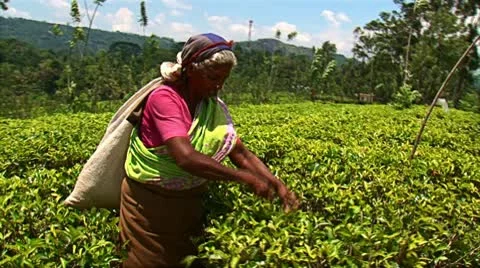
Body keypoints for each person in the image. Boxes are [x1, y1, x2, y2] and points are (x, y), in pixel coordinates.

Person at [119, 33, 299, 268]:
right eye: (213, 77)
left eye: (224, 79)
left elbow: (240, 153)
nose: (218, 85)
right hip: (149, 206)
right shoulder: (164, 99)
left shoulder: (209, 104)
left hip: (189, 204)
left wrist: (277, 184)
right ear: (191, 69)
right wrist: (244, 178)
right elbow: (185, 157)